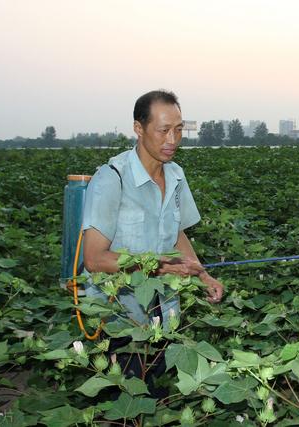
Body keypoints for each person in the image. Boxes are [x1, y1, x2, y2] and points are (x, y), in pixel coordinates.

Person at [81, 90, 224, 394]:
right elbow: (94, 258)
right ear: (138, 128)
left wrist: (202, 275)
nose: (172, 139)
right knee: (123, 403)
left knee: (155, 398)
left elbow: (176, 233)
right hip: (118, 314)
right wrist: (162, 268)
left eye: (178, 129)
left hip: (163, 314)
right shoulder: (111, 178)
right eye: (163, 130)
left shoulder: (175, 176)